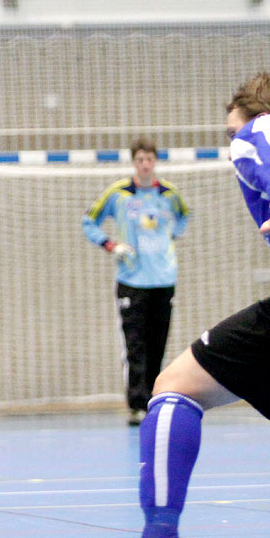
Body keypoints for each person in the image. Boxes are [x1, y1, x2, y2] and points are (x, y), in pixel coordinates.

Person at [88, 72, 270, 538]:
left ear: (255, 112)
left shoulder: (265, 130)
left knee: (174, 386)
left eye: (230, 129)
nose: (231, 141)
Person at [82, 138, 189, 426]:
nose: (145, 164)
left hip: (163, 279)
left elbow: (183, 216)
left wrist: (169, 238)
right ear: (134, 162)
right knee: (135, 344)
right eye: (140, 159)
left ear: (155, 161)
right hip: (131, 280)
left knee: (158, 342)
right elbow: (89, 221)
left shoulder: (169, 194)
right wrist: (110, 244)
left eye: (149, 159)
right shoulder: (117, 194)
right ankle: (136, 404)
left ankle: (154, 398)